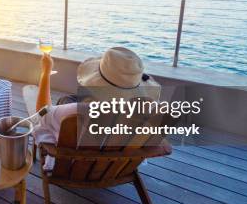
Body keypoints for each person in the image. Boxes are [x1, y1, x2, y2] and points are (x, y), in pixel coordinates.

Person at [32, 47, 161, 151]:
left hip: (73, 164)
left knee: (65, 102)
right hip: (114, 165)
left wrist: (45, 72)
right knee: (70, 98)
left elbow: (41, 113)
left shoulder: (78, 111)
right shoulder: (147, 112)